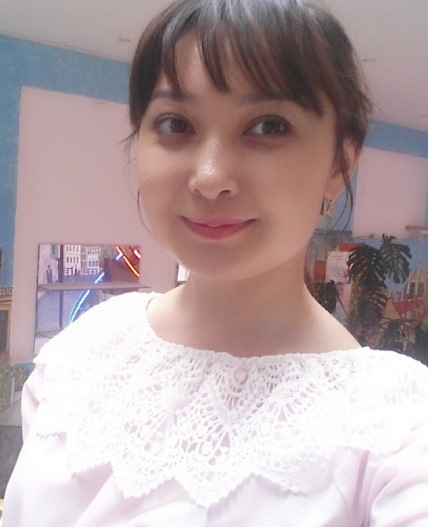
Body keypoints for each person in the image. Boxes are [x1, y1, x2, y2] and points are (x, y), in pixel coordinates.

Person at [2, 0, 427, 526]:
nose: (209, 177)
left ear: (340, 163)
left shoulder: (395, 429)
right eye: (175, 123)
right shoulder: (79, 353)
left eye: (268, 126)